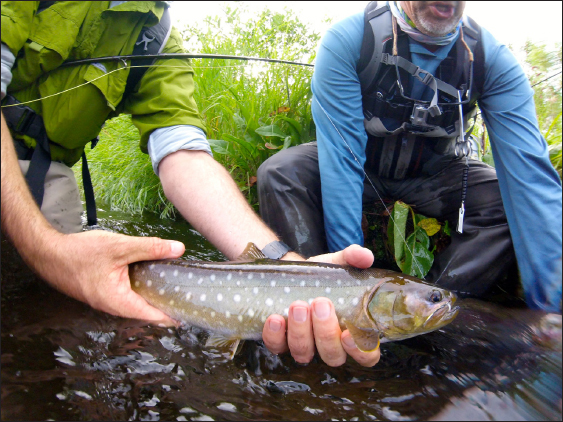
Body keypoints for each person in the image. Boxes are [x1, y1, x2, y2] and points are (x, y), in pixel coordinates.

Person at [0, 1, 379, 368]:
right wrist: (46, 248)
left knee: (54, 311)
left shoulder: (155, 37)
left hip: (45, 167)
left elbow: (184, 156)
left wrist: (289, 268)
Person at [258, 1, 562, 313]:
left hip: (437, 173)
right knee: (281, 172)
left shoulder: (490, 59)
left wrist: (552, 314)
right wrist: (352, 290)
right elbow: (343, 160)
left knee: (503, 200)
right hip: (361, 168)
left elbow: (531, 180)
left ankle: (434, 312)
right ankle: (313, 305)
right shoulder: (351, 39)